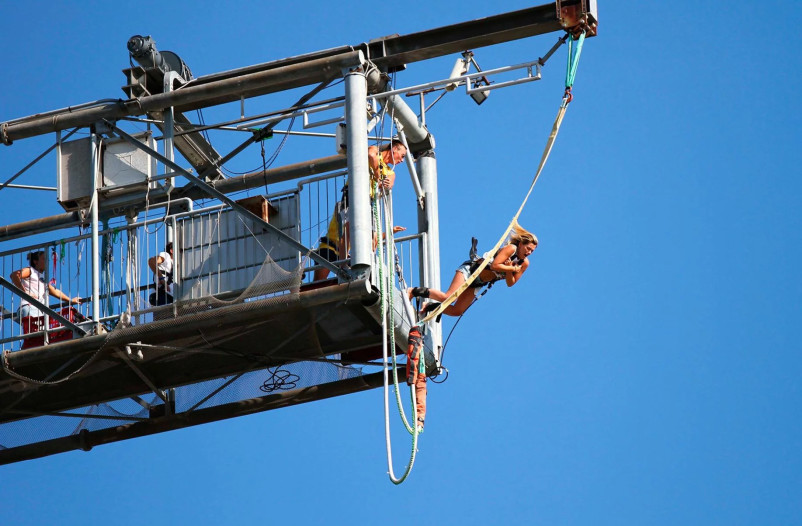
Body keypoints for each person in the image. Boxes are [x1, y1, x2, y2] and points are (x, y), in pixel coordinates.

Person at [313, 139, 408, 281]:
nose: (402, 160)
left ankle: (368, 265)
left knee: (372, 237)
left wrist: (385, 185)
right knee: (349, 227)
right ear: (394, 148)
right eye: (403, 155)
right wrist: (377, 176)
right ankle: (343, 264)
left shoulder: (390, 172)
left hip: (368, 201)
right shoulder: (375, 150)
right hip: (353, 195)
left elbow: (389, 184)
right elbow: (371, 155)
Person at [409, 223, 538, 317]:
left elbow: (511, 283)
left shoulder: (524, 264)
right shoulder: (511, 249)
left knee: (457, 311)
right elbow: (495, 266)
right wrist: (511, 267)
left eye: (532, 251)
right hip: (471, 270)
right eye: (528, 248)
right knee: (449, 297)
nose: (530, 252)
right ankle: (414, 291)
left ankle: (430, 306)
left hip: (479, 282)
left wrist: (510, 270)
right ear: (521, 244)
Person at [10, 250, 81, 319]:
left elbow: (55, 291)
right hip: (30, 306)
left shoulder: (42, 278)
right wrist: (24, 292)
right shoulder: (31, 270)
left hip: (37, 309)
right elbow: (14, 275)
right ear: (36, 262)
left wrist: (71, 300)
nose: (47, 262)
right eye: (44, 259)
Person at [148, 242, 174, 306]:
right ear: (172, 250)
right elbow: (151, 261)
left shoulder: (175, 264)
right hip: (160, 296)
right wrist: (161, 278)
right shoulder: (166, 256)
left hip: (170, 297)